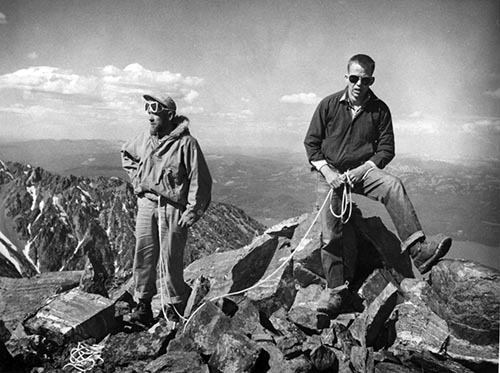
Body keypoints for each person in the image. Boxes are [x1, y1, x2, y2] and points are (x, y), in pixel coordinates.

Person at [304, 54, 452, 316]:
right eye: (354, 78)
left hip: (361, 173)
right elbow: (312, 145)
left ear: (372, 79)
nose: (359, 84)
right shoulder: (328, 105)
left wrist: (362, 170)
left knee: (392, 185)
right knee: (330, 235)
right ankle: (336, 293)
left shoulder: (380, 109)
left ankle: (418, 250)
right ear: (346, 77)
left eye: (366, 79)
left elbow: (386, 150)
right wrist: (328, 173)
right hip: (331, 175)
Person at [121, 94, 212, 325]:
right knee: (144, 255)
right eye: (148, 111)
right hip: (146, 204)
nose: (150, 116)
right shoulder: (144, 139)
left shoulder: (186, 144)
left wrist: (192, 211)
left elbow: (199, 179)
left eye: (155, 111)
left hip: (172, 208)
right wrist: (137, 179)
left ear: (169, 115)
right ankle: (143, 304)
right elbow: (127, 155)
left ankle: (173, 305)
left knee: (171, 258)